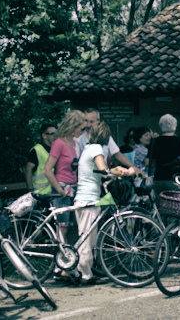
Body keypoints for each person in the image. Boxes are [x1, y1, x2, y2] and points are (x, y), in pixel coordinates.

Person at [74, 121, 132, 283]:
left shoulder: (88, 148)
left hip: (88, 198)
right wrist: (124, 171)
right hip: (88, 200)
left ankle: (78, 270)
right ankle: (85, 275)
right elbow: (104, 170)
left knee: (88, 238)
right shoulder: (96, 149)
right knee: (87, 239)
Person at [44, 110, 86, 245]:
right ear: (73, 126)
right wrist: (60, 190)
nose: (83, 131)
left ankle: (70, 257)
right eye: (82, 128)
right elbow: (47, 170)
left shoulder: (74, 142)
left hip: (73, 188)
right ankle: (60, 259)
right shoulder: (59, 143)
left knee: (73, 227)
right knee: (63, 226)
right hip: (61, 189)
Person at [76, 109, 141, 175]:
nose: (88, 125)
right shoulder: (91, 145)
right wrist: (126, 173)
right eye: (86, 121)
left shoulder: (100, 139)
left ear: (98, 121)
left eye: (91, 122)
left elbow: (117, 154)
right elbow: (104, 172)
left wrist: (133, 168)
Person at [151, 114, 180, 197]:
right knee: (174, 205)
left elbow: (148, 161)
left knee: (160, 205)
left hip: (158, 178)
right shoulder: (178, 141)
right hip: (174, 178)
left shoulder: (155, 141)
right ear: (175, 126)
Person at [25, 124, 56, 193]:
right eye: (52, 134)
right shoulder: (36, 150)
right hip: (41, 193)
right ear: (44, 135)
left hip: (54, 192)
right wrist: (30, 190)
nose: (55, 136)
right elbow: (28, 169)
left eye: (57, 133)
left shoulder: (55, 149)